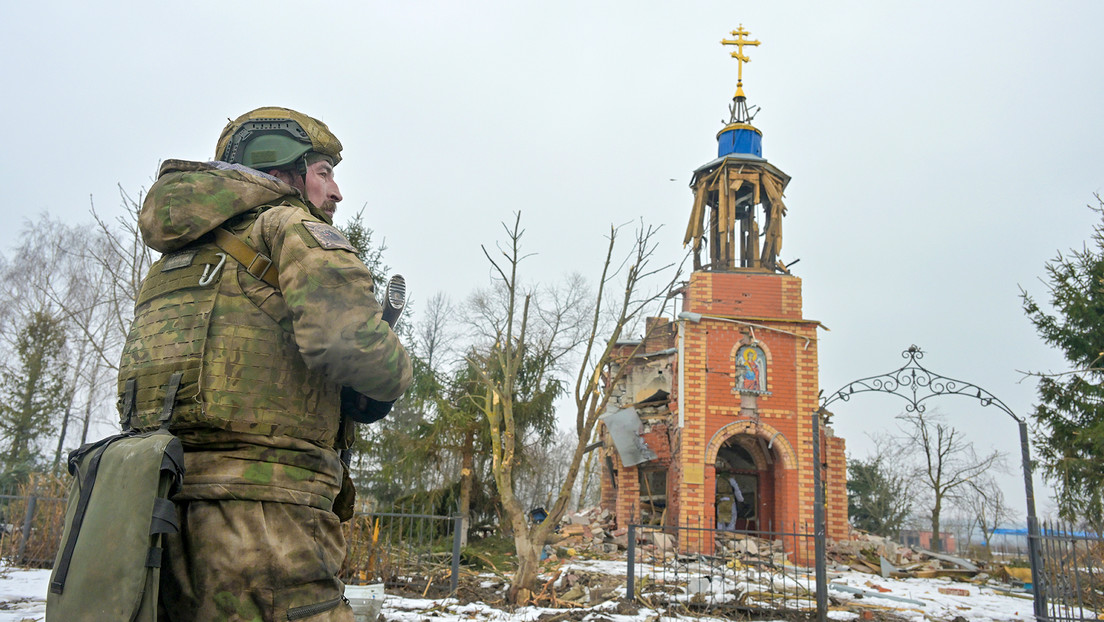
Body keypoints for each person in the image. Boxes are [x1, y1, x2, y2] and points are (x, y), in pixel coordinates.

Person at [116, 107, 412, 621]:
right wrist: (392, 362)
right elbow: (355, 347)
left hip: (155, 508)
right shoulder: (289, 225)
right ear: (282, 172)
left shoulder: (176, 260)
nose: (336, 192)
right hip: (266, 521)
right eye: (323, 172)